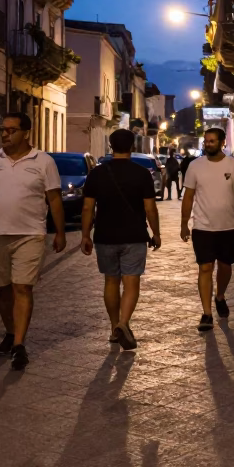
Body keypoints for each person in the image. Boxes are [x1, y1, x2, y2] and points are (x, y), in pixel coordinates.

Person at [0, 111, 65, 371]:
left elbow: (53, 199)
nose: (5, 134)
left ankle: (19, 345)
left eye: (11, 130)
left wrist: (60, 232)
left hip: (29, 234)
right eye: (3, 130)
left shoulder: (44, 161)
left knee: (22, 288)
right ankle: (10, 331)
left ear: (26, 133)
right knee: (0, 290)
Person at [80, 128, 160, 350]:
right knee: (131, 281)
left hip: (105, 235)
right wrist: (156, 232)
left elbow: (87, 207)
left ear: (110, 147)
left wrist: (85, 234)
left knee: (111, 281)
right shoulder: (142, 174)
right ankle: (124, 323)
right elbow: (150, 208)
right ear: (133, 147)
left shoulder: (97, 173)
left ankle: (114, 326)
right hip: (134, 235)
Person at [181, 127, 234, 331]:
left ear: (222, 143)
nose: (208, 144)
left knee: (225, 265)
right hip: (202, 227)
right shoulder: (195, 166)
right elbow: (188, 196)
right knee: (205, 267)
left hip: (228, 226)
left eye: (212, 141)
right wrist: (184, 223)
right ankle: (206, 313)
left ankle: (220, 296)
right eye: (206, 141)